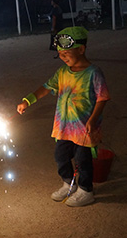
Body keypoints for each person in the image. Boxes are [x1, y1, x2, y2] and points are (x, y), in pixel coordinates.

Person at [17, 26, 110, 207]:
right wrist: (27, 100)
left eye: (66, 53)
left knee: (83, 160)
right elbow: (46, 87)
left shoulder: (93, 73)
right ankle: (69, 184)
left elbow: (103, 98)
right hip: (64, 127)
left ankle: (86, 190)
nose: (62, 57)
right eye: (60, 53)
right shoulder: (62, 72)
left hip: (84, 128)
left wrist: (92, 119)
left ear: (81, 50)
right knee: (61, 156)